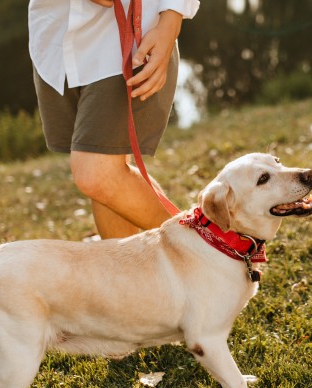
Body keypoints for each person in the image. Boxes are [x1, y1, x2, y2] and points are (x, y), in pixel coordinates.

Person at [29, 0, 200, 238]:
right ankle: (128, 272)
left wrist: (171, 21)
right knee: (107, 165)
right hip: (56, 37)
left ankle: (200, 247)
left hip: (131, 40)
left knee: (97, 173)